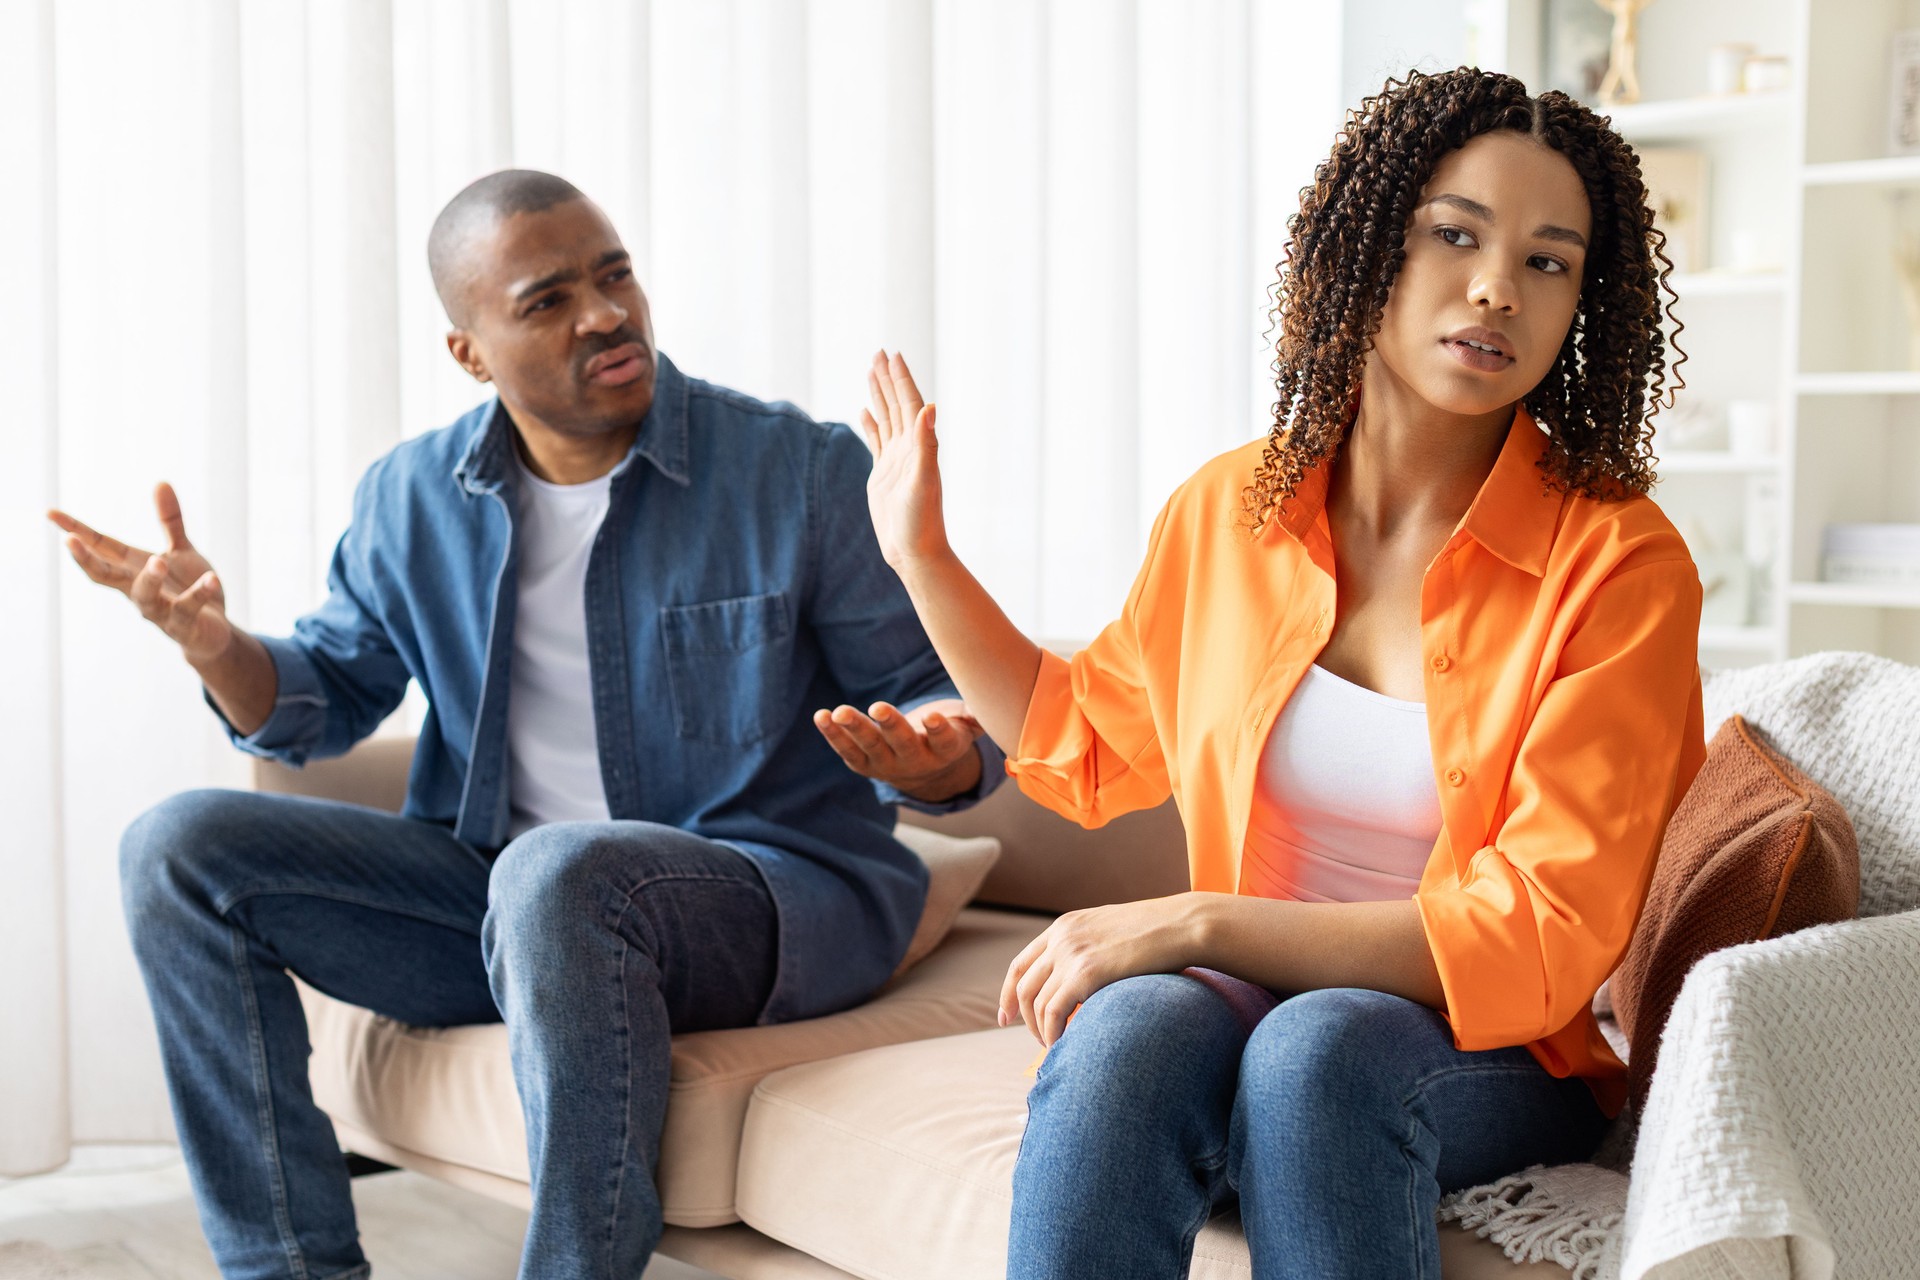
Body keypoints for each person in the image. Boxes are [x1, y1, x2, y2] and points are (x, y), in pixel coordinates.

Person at [47, 169, 1001, 1280]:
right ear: (469, 349)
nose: (604, 313)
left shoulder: (796, 468)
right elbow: (322, 701)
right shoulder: (409, 497)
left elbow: (935, 695)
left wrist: (936, 753)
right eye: (547, 299)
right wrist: (218, 646)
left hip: (768, 893)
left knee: (559, 871)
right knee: (176, 848)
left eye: (614, 275)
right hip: (511, 902)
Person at [856, 69, 1704, 1278]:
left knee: (1317, 1051)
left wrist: (1200, 920)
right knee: (1133, 1027)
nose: (1494, 288)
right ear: (1366, 250)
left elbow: (1537, 940)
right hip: (1251, 1006)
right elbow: (1082, 742)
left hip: (1493, 1051)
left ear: (1586, 302)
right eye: (1454, 235)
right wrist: (922, 557)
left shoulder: (1620, 562)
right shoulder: (1229, 511)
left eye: (1548, 261)